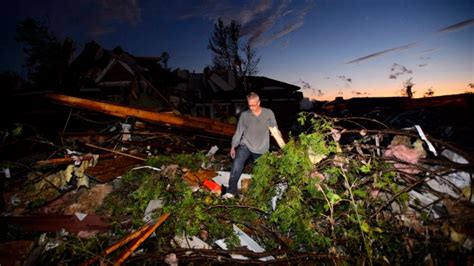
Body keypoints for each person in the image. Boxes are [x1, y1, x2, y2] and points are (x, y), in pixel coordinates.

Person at [222, 92, 278, 199]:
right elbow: (238, 132)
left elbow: (275, 130)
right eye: (249, 105)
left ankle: (261, 195)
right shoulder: (244, 115)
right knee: (237, 164)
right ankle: (231, 191)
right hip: (246, 145)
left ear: (259, 102)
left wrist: (282, 144)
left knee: (261, 172)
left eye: (253, 105)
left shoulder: (268, 113)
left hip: (262, 148)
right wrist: (233, 146)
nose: (251, 108)